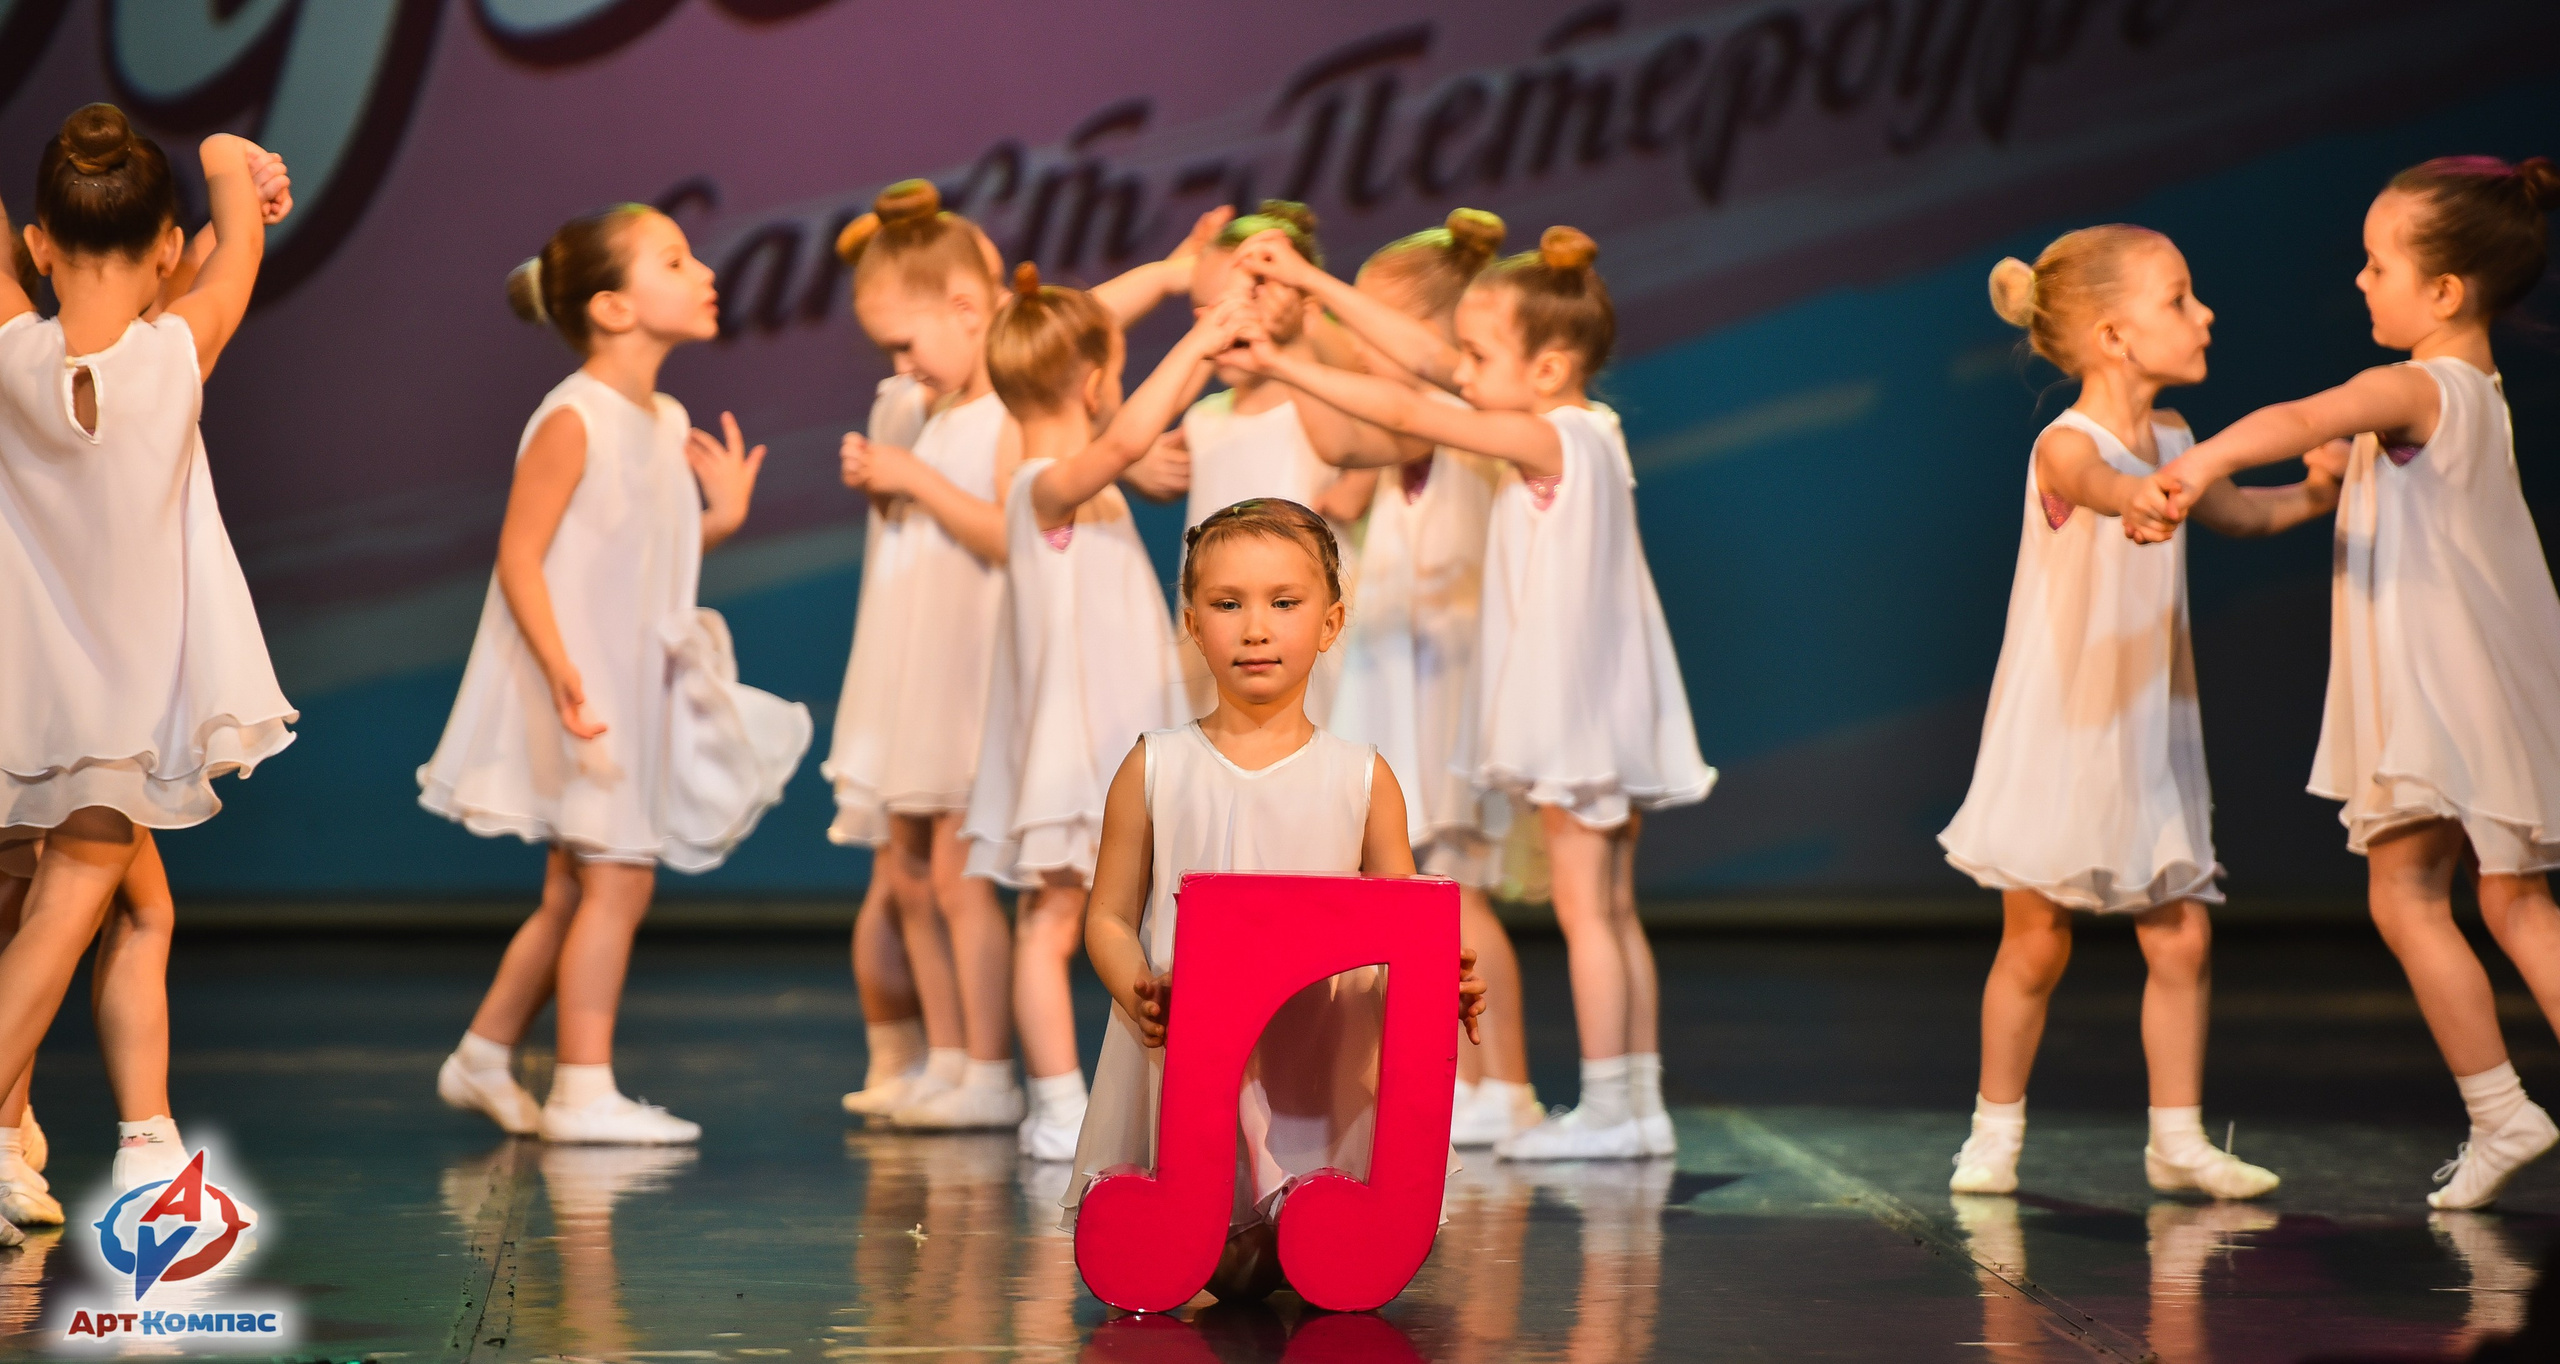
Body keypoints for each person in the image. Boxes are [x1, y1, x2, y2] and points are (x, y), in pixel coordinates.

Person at [1226, 226, 1712, 1160]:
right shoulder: (1586, 430)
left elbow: (1430, 397)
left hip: (1579, 710)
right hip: (1601, 704)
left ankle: (1615, 1105)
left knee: (1585, 909)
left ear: (1549, 365)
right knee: (1606, 908)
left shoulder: (1545, 436)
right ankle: (1635, 1103)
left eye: (1482, 355)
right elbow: (1421, 368)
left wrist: (1289, 347)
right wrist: (1306, 307)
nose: (1460, 369)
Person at [2143, 155, 2560, 1209]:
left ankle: (2500, 1107)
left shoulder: (2415, 384)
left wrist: (2196, 466)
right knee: (2511, 901)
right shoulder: (2463, 395)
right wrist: (2333, 480)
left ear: (2445, 292)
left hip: (2442, 685)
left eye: (2379, 265)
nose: (2363, 283)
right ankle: (2499, 1110)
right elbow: (2345, 460)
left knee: (2412, 891)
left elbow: (2303, 412)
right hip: (2480, 675)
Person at [1942, 225, 2340, 1200]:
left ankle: (2177, 1137)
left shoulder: (2173, 439)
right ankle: (1992, 1131)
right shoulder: (2067, 442)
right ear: (2114, 335)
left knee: (2181, 936)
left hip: (2147, 721)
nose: (2203, 313)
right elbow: (2095, 484)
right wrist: (2138, 497)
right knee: (2035, 937)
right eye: (2178, 298)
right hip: (2063, 720)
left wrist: (2319, 490)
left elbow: (2241, 512)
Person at [423, 203, 808, 1144]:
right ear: (613, 308)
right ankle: (582, 1088)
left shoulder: (663, 416)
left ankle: (482, 1053)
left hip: (631, 684)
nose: (703, 272)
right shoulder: (573, 416)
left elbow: (643, 554)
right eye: (673, 261)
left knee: (574, 886)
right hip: (585, 685)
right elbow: (520, 557)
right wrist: (560, 672)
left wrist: (721, 515)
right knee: (618, 879)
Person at [1073, 497, 1486, 1299]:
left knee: (1318, 1255)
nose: (1255, 628)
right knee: (1224, 1272)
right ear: (1193, 623)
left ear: (1330, 623)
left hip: (1316, 1051)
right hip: (1197, 1054)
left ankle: (1314, 1203)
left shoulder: (1362, 777)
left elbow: (1406, 925)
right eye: (1228, 605)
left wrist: (1439, 987)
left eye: (1283, 604)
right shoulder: (1156, 766)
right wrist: (1134, 981)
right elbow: (1109, 914)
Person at [0, 105, 295, 1211]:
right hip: (117, 705)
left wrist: (221, 203)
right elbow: (221, 237)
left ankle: (133, 1136)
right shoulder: (178, 356)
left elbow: (191, 261)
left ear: (38, 243)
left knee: (118, 905)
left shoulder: (9, 347)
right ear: (165, 248)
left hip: (23, 692)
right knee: (74, 897)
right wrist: (236, 162)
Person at [954, 265, 1235, 1157]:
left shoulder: (1075, 481)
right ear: (1092, 382)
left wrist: (1213, 344)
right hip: (1078, 753)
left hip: (1123, 742)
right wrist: (1199, 336)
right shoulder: (1047, 482)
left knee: (1144, 914)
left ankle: (1155, 1084)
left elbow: (1132, 440)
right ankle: (1053, 1098)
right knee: (1051, 918)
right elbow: (1122, 446)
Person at [1308, 208, 1543, 1146]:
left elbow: (1402, 404)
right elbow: (1338, 438)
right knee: (1421, 896)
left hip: (1450, 683)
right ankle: (1470, 1083)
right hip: (1398, 675)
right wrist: (1294, 332)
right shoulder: (1402, 432)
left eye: (1378, 325)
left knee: (1460, 890)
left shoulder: (1477, 425)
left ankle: (1510, 1085)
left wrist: (1318, 312)